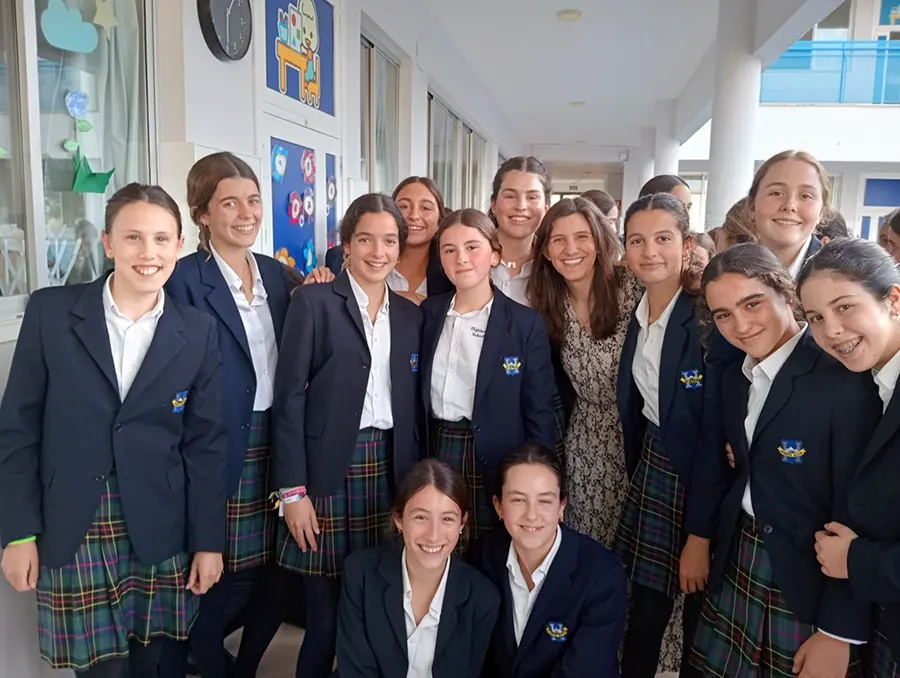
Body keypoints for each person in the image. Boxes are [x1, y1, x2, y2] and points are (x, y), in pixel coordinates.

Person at [0, 183, 227, 677]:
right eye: (133, 238)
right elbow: (17, 431)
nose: (149, 254)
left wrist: (209, 540)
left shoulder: (197, 330)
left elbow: (207, 446)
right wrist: (17, 533)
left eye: (162, 239)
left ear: (180, 245)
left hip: (161, 523)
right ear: (108, 243)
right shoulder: (51, 313)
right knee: (100, 672)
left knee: (153, 664)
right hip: (75, 522)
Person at [689, 243, 879, 678]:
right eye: (722, 315)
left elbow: (859, 514)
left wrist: (836, 631)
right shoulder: (735, 372)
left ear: (786, 293)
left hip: (809, 577)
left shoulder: (841, 379)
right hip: (741, 551)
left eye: (752, 303)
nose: (740, 325)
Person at [272, 193, 424, 678]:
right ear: (345, 245)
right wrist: (293, 491)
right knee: (325, 618)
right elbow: (289, 398)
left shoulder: (411, 314)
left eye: (389, 241)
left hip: (392, 470)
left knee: (377, 609)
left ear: (401, 247)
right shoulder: (313, 302)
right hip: (327, 475)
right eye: (365, 240)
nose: (378, 252)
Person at [162, 152, 292, 677]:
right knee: (216, 577)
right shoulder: (182, 280)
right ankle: (210, 662)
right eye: (229, 202)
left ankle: (246, 668)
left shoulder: (281, 278)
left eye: (254, 200)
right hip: (217, 441)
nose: (246, 212)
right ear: (202, 214)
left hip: (278, 441)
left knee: (280, 575)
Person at [614, 193, 724, 678]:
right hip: (656, 470)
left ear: (686, 245)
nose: (649, 252)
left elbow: (714, 439)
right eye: (637, 240)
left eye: (663, 238)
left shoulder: (705, 320)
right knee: (645, 617)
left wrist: (699, 535)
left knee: (701, 622)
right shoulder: (639, 317)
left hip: (702, 485)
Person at [798, 238, 900, 678]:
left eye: (844, 307)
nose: (832, 331)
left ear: (893, 299)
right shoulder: (869, 382)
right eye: (816, 318)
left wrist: (857, 562)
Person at [421, 208, 557, 538]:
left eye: (472, 247)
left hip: (494, 456)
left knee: (489, 550)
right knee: (438, 544)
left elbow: (539, 409)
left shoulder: (524, 324)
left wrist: (542, 479)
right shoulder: (428, 313)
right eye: (449, 250)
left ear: (495, 255)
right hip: (435, 449)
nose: (461, 259)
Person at [474, 444, 627, 678]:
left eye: (545, 501)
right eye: (518, 500)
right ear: (499, 506)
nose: (532, 514)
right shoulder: (483, 557)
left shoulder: (601, 575)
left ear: (561, 506)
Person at [337, 459, 499, 678]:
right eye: (421, 517)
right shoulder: (360, 574)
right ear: (399, 519)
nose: (433, 535)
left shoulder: (483, 597)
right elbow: (356, 670)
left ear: (462, 523)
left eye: (447, 519)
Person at [319, 177, 452, 302]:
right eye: (404, 207)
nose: (414, 216)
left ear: (440, 222)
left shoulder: (451, 268)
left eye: (425, 208)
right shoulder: (341, 260)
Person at [746, 150, 831, 277]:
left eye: (806, 196)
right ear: (752, 205)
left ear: (821, 211)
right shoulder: (726, 272)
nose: (789, 205)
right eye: (776, 193)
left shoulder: (845, 277)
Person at [487, 157, 553, 307]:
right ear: (494, 204)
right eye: (510, 196)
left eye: (532, 197)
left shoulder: (556, 265)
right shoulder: (468, 256)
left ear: (546, 208)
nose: (521, 206)